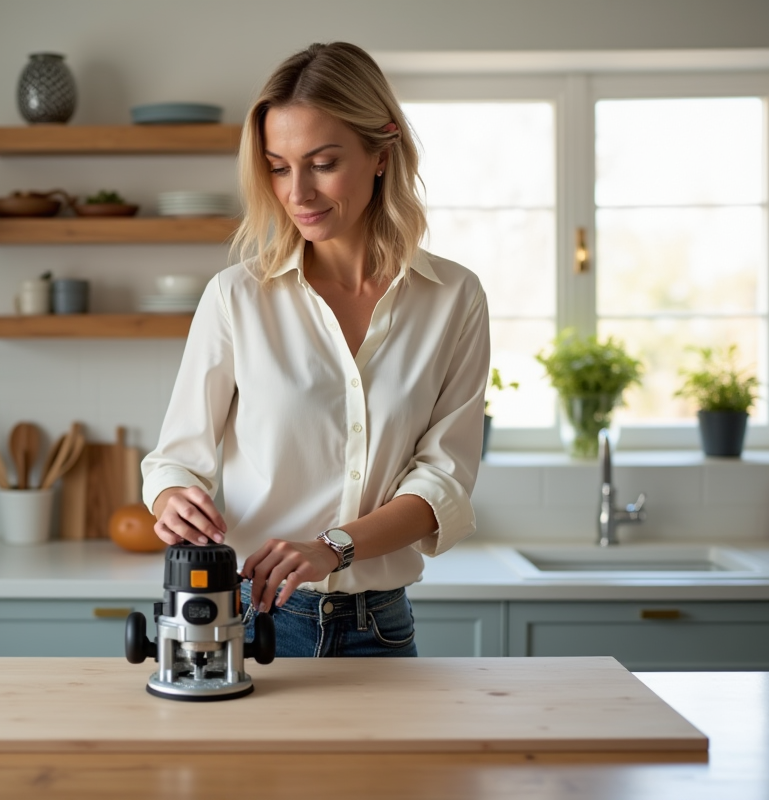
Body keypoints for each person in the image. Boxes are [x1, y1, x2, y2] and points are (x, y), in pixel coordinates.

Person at [140, 42, 490, 658]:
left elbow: (444, 482)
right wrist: (172, 500)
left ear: (381, 155)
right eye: (278, 167)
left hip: (381, 626)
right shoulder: (236, 298)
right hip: (254, 620)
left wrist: (333, 546)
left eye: (323, 163)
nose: (297, 192)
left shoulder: (453, 298)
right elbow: (175, 461)